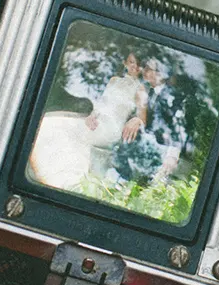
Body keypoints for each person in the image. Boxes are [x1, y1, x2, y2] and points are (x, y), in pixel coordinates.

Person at [28, 52, 149, 190]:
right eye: (132, 62)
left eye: (138, 64)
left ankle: (67, 181)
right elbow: (102, 104)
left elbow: (142, 118)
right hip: (98, 121)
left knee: (62, 127)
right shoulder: (114, 80)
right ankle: (64, 174)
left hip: (112, 128)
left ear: (141, 68)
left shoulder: (140, 89)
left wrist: (135, 120)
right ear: (125, 63)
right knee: (54, 123)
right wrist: (92, 115)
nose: (135, 66)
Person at [112, 57, 187, 185]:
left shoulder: (172, 96)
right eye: (145, 68)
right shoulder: (151, 92)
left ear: (159, 74)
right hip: (150, 148)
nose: (144, 71)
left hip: (161, 150)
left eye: (148, 69)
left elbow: (178, 126)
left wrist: (172, 156)